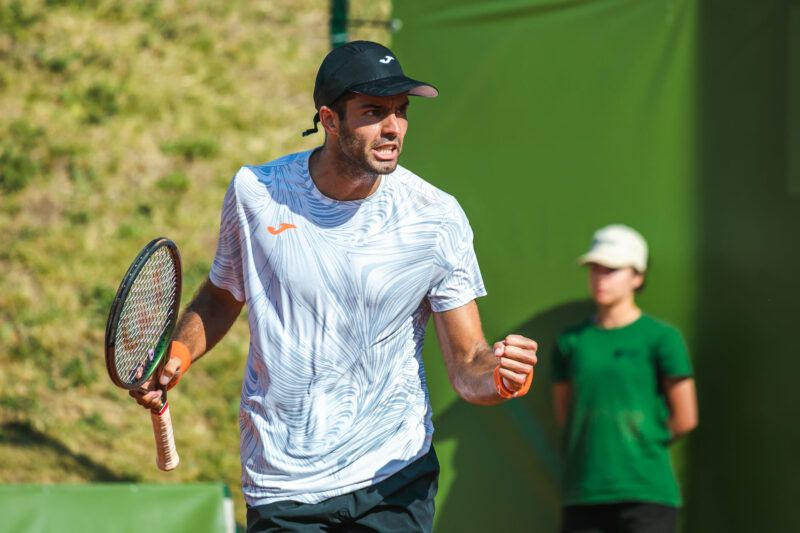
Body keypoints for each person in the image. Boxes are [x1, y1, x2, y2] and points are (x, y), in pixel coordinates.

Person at [131, 40, 538, 533]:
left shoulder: (437, 217)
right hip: (283, 481)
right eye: (373, 112)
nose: (393, 128)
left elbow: (467, 364)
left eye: (400, 112)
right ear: (329, 119)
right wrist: (178, 353)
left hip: (394, 475)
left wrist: (497, 377)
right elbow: (222, 296)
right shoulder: (256, 193)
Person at [551, 224, 698, 533]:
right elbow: (566, 415)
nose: (600, 278)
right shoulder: (570, 342)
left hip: (647, 494)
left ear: (637, 276)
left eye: (612, 269)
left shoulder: (663, 338)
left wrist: (639, 443)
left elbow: (685, 417)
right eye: (595, 269)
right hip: (584, 493)